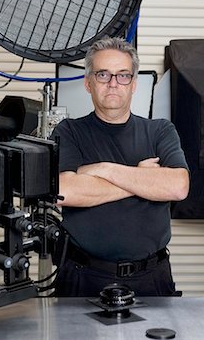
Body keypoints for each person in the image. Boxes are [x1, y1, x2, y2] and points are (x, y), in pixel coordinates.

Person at [51, 36, 189, 297]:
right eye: (103, 74)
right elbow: (65, 191)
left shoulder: (160, 130)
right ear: (88, 83)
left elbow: (178, 186)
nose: (113, 83)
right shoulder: (69, 131)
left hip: (152, 279)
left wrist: (103, 169)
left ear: (134, 84)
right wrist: (143, 179)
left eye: (123, 75)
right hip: (83, 277)